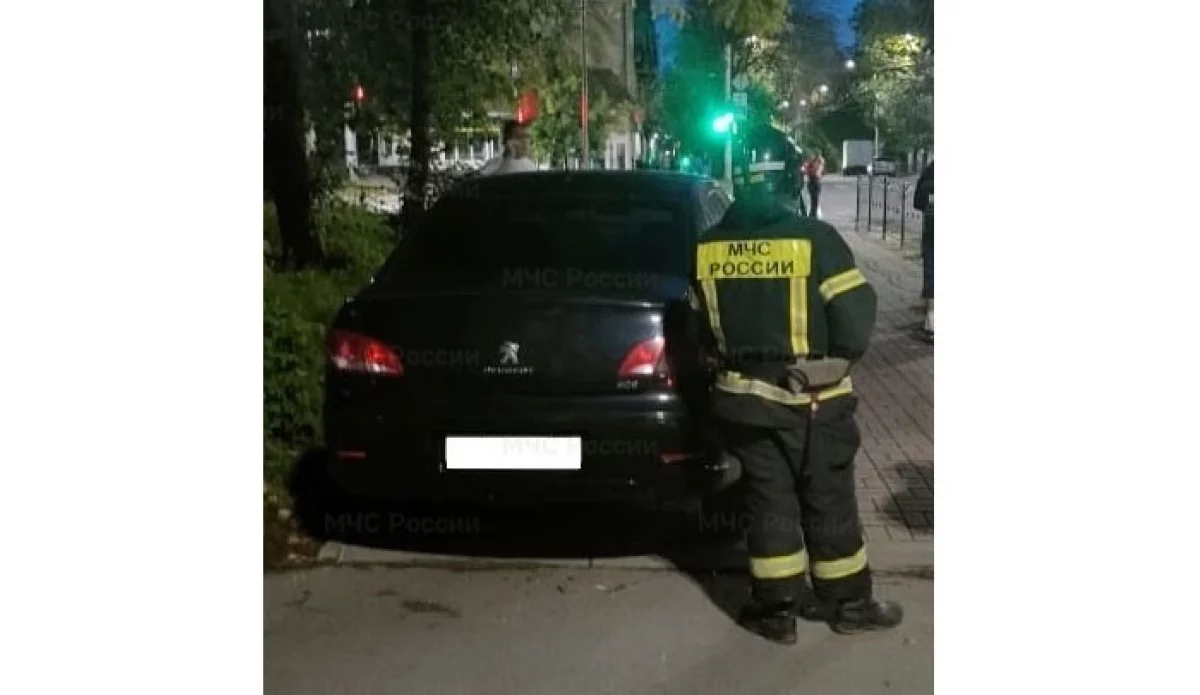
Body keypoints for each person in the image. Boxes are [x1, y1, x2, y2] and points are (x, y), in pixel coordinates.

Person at [692, 147, 903, 645]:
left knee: (768, 501)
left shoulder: (706, 246)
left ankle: (775, 611)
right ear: (791, 180)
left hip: (744, 401)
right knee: (828, 498)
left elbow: (698, 327)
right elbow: (853, 325)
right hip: (814, 402)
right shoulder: (817, 240)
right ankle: (849, 604)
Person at [913, 160, 934, 337]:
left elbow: (917, 202)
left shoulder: (929, 172)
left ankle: (931, 322)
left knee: (931, 271)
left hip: (932, 228)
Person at [803, 152, 825, 218]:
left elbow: (804, 170)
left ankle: (812, 213)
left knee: (813, 199)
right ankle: (813, 214)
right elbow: (817, 174)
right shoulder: (818, 164)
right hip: (815, 182)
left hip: (812, 182)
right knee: (815, 200)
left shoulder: (810, 164)